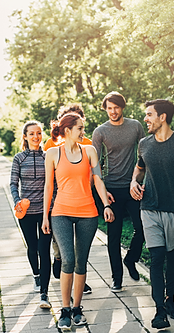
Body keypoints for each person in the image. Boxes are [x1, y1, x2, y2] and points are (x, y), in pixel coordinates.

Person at [130, 99, 174, 329]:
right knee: (157, 257)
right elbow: (140, 168)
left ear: (163, 117)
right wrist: (133, 182)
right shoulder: (144, 144)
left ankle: (171, 300)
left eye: (149, 115)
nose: (146, 119)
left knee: (172, 257)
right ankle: (159, 310)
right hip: (149, 208)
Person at [42, 113, 114, 330]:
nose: (83, 132)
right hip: (61, 212)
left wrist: (106, 205)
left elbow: (98, 179)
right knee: (67, 260)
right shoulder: (53, 153)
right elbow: (48, 187)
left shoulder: (90, 151)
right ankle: (64, 309)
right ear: (67, 130)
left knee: (81, 261)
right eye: (80, 128)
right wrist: (45, 216)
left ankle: (77, 309)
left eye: (83, 128)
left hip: (88, 213)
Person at [92, 91, 145, 292]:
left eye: (116, 107)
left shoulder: (135, 126)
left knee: (142, 228)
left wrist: (141, 182)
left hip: (133, 187)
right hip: (111, 189)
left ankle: (131, 259)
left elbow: (144, 156)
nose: (113, 112)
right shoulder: (100, 131)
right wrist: (103, 192)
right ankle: (117, 278)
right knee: (113, 236)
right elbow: (95, 165)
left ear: (122, 107)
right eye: (109, 108)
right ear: (105, 109)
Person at [43, 103, 93, 294]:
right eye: (78, 126)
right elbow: (48, 181)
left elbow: (94, 175)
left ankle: (78, 281)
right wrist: (47, 212)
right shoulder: (51, 147)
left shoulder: (88, 145)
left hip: (83, 202)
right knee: (64, 251)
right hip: (59, 203)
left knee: (80, 253)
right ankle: (61, 261)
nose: (81, 131)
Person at [10, 121, 53, 309]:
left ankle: (44, 293)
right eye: (32, 134)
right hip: (26, 212)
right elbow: (13, 184)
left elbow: (56, 185)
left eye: (39, 133)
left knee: (45, 250)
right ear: (25, 137)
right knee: (32, 246)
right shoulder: (18, 158)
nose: (36, 137)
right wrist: (17, 200)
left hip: (46, 211)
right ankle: (36, 275)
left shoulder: (48, 157)